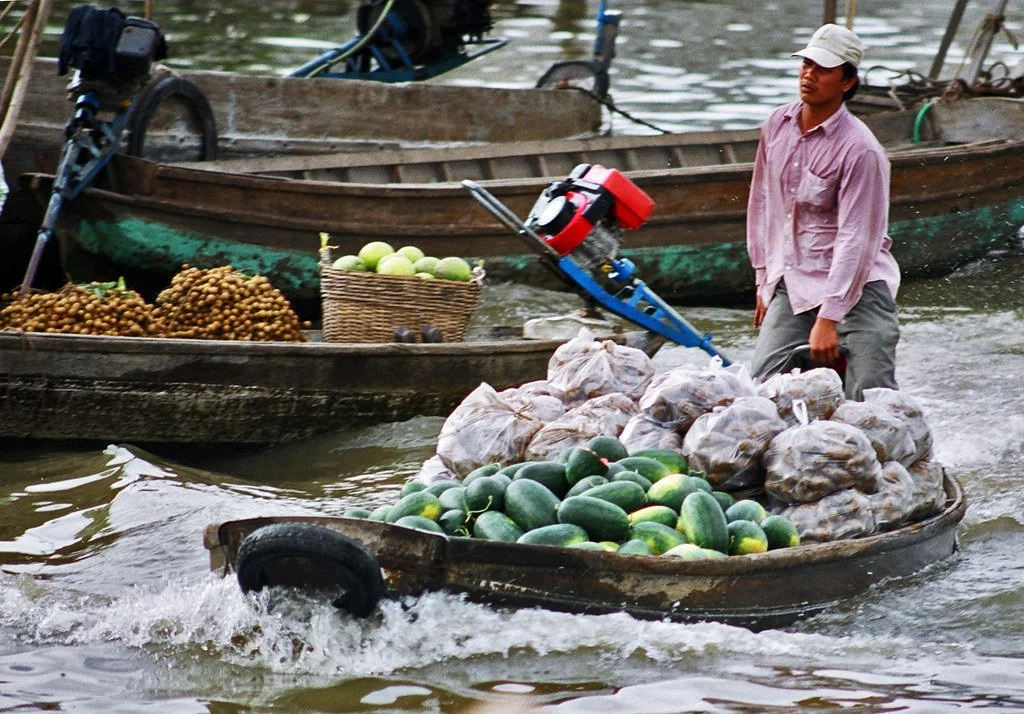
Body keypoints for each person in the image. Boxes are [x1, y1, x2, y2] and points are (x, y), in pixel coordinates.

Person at [746, 23, 901, 400]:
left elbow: (857, 239)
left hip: (860, 286)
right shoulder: (777, 124)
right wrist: (765, 279)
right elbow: (764, 205)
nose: (809, 75)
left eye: (823, 69)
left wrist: (829, 318)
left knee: (872, 395)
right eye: (806, 65)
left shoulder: (861, 150)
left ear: (847, 82)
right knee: (761, 389)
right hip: (795, 279)